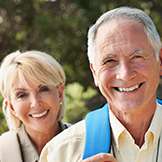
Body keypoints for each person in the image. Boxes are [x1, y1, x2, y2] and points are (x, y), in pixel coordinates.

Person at [39, 6, 162, 162]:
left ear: (160, 61)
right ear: (95, 73)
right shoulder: (61, 153)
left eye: (136, 57)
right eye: (109, 61)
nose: (125, 74)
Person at [0, 50, 69, 162]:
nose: (35, 103)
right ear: (11, 107)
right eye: (22, 95)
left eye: (43, 89)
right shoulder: (2, 153)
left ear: (60, 93)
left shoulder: (87, 142)